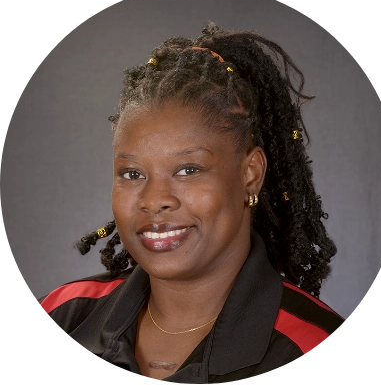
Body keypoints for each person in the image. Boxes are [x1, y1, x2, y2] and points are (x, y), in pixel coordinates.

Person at [38, 22, 345, 382]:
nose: (155, 201)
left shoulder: (311, 342)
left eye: (187, 170)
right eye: (132, 174)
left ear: (250, 174)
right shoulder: (63, 315)